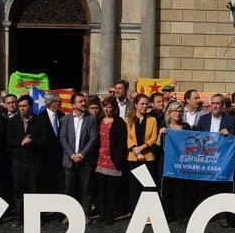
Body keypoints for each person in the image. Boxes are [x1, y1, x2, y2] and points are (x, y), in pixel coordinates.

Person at [6, 94, 50, 226]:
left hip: (34, 162)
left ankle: (37, 218)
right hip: (18, 162)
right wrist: (21, 141)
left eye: (24, 106)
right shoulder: (13, 121)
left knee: (35, 190)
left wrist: (32, 141)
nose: (21, 108)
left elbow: (45, 140)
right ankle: (19, 217)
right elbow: (8, 140)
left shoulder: (40, 121)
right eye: (20, 106)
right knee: (18, 190)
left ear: (31, 106)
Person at [58, 92, 99, 222]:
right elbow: (62, 138)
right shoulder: (65, 119)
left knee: (86, 188)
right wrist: (71, 155)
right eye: (80, 101)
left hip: (85, 159)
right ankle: (69, 214)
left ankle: (85, 214)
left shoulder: (91, 119)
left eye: (84, 101)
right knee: (69, 188)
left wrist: (81, 154)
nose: (84, 103)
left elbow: (93, 138)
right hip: (69, 160)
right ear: (73, 105)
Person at [93, 97, 129, 226]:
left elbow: (122, 143)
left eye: (110, 107)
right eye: (105, 107)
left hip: (113, 161)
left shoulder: (119, 122)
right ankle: (102, 214)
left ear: (114, 108)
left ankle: (109, 215)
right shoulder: (98, 121)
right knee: (101, 190)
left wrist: (119, 160)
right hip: (100, 160)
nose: (107, 109)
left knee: (112, 190)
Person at [125, 94, 160, 212]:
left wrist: (142, 148)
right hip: (133, 157)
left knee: (149, 186)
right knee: (134, 187)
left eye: (146, 104)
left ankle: (149, 212)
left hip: (148, 157)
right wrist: (135, 150)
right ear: (136, 105)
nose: (145, 106)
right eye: (142, 104)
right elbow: (127, 137)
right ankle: (135, 212)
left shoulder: (152, 120)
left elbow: (154, 136)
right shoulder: (128, 119)